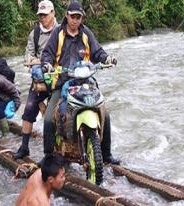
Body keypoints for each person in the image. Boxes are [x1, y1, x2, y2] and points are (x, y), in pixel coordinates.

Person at [40, 1, 120, 164]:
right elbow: (47, 54)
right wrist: (47, 64)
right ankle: (48, 156)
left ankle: (106, 154)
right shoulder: (58, 34)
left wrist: (107, 58)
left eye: (78, 17)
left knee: (105, 114)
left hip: (85, 82)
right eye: (73, 16)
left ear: (81, 18)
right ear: (66, 16)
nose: (75, 20)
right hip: (62, 82)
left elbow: (98, 52)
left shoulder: (86, 34)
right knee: (49, 119)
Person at [13, 0, 58, 159]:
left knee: (60, 113)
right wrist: (34, 62)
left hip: (58, 77)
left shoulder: (61, 31)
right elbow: (28, 54)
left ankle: (59, 148)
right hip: (40, 79)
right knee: (29, 109)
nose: (42, 18)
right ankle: (24, 147)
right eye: (40, 15)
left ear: (53, 13)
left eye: (45, 15)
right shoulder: (35, 33)